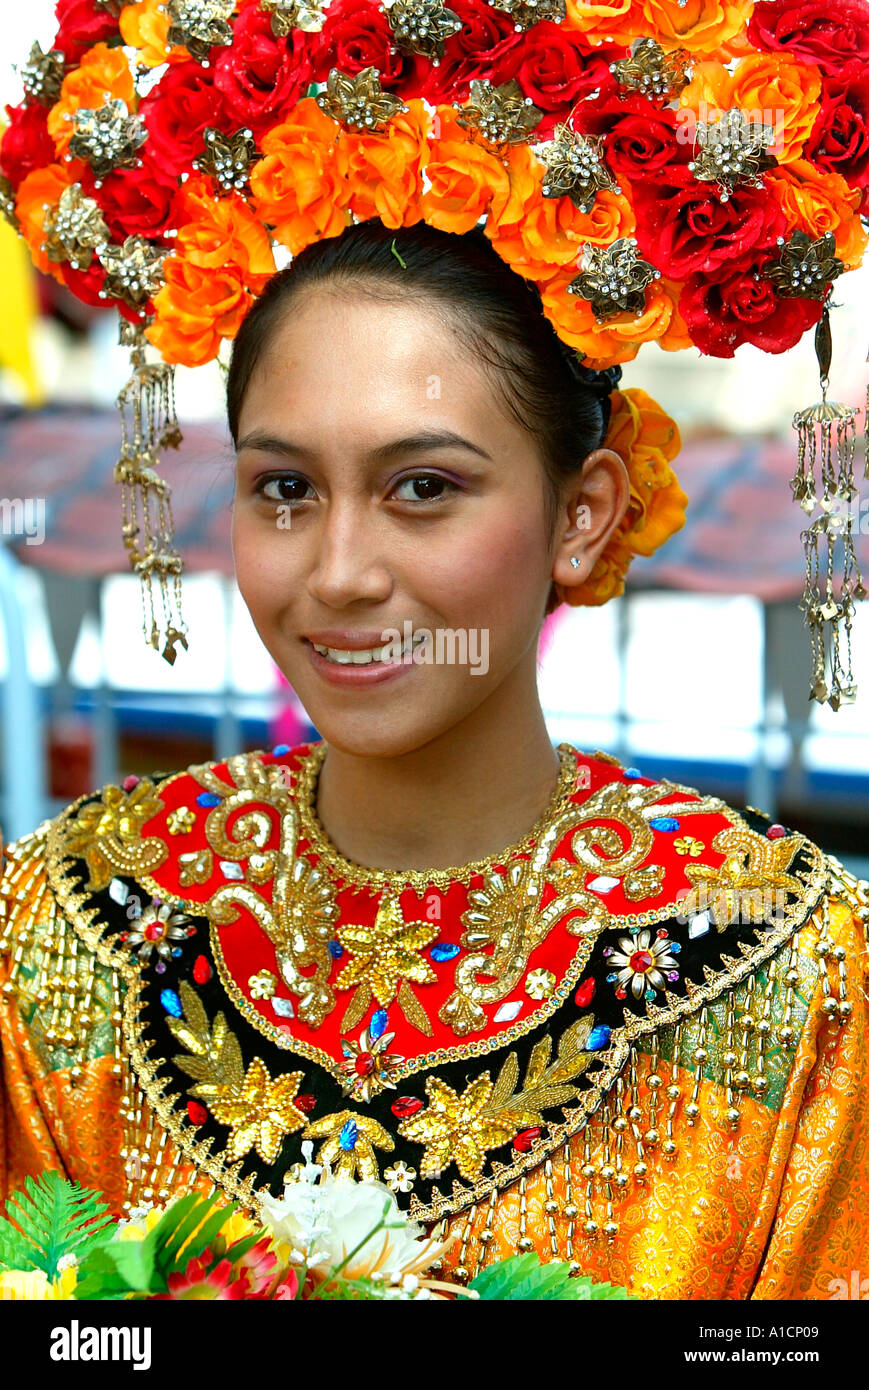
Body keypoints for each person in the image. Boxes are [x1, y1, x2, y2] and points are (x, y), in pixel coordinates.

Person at [1, 217, 867, 1301]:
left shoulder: (784, 956)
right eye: (285, 489)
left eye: (422, 488)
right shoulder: (78, 912)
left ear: (581, 514)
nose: (341, 574)